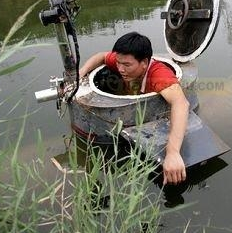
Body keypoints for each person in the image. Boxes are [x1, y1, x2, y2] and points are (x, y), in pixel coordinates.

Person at [79, 32, 189, 185]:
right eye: (118, 63)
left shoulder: (158, 75)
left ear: (144, 62)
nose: (121, 69)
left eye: (126, 65)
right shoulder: (123, 62)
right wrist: (81, 73)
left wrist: (173, 152)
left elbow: (181, 104)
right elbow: (102, 56)